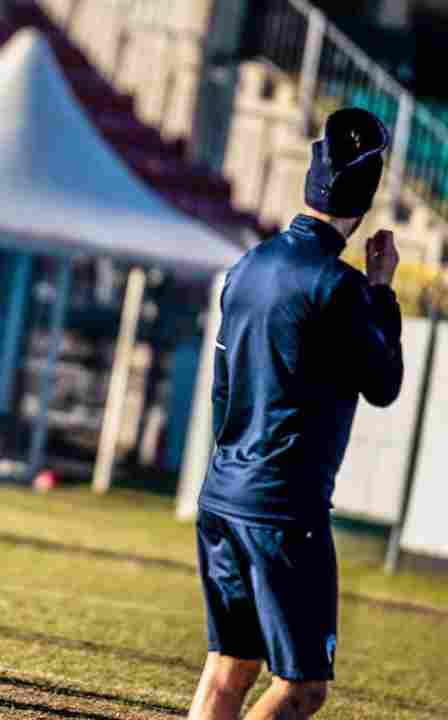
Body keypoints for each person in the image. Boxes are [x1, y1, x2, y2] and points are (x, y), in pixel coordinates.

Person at [189, 107, 403, 720]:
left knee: (228, 670)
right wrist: (381, 290)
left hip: (223, 492)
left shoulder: (247, 266)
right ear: (361, 208)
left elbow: (223, 390)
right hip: (283, 510)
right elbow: (384, 383)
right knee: (301, 687)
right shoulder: (338, 287)